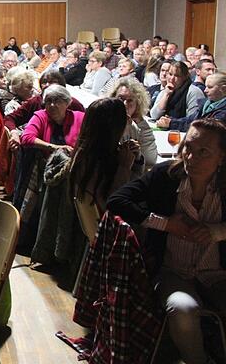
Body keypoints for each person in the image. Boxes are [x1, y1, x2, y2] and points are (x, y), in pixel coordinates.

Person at [107, 118, 226, 364]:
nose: (191, 158)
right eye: (188, 148)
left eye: (203, 152)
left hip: (218, 274)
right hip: (172, 272)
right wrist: (166, 223)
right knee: (182, 309)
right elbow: (117, 201)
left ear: (222, 158)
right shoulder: (167, 175)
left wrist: (218, 231)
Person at [69, 98, 139, 212]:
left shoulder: (84, 150)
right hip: (102, 225)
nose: (129, 120)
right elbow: (114, 204)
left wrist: (137, 159)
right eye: (124, 118)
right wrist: (124, 167)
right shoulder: (92, 161)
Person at [107, 76, 158, 173]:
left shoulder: (134, 128)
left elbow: (150, 160)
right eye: (121, 99)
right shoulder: (106, 122)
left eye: (130, 101)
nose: (125, 104)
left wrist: (141, 121)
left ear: (137, 104)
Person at [21, 84, 85, 154]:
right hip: (49, 162)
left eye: (57, 101)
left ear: (67, 103)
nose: (52, 105)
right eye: (49, 101)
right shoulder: (40, 116)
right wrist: (55, 147)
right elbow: (26, 138)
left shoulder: (80, 117)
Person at [157, 72, 226, 132]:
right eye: (206, 87)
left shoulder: (223, 111)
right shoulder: (206, 104)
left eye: (210, 87)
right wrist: (170, 120)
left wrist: (171, 123)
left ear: (223, 89)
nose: (205, 90)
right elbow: (190, 119)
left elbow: (203, 128)